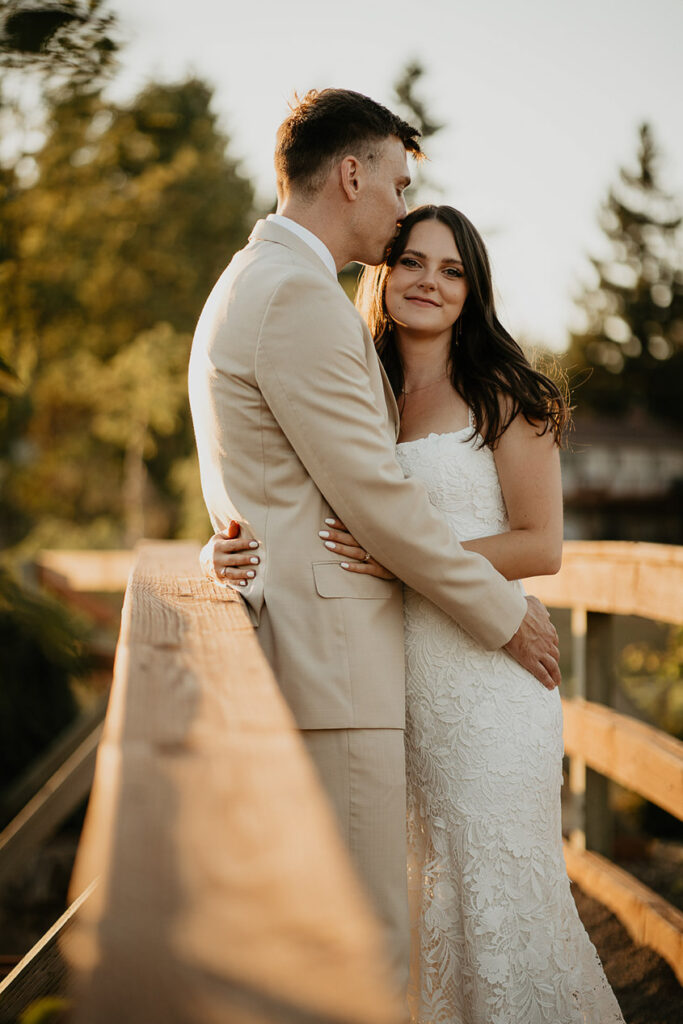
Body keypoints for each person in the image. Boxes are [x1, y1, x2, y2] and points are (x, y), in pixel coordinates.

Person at [207, 204, 626, 1023]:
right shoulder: (355, 382)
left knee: (496, 895)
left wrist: (408, 567)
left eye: (451, 270)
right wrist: (214, 550)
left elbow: (540, 546)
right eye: (412, 263)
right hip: (391, 682)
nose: (428, 283)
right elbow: (288, 498)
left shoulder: (505, 391)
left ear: (473, 290)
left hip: (488, 681)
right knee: (426, 896)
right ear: (382, 274)